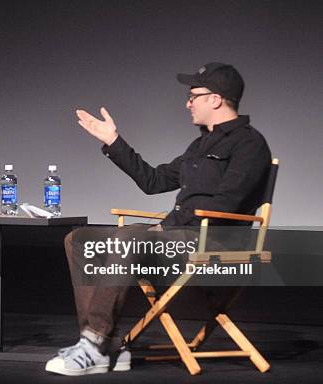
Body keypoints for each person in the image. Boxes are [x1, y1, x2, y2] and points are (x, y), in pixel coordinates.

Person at [45, 62, 271, 376]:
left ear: (216, 99)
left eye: (194, 96)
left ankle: (94, 342)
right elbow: (154, 181)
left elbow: (228, 203)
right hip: (176, 235)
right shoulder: (200, 145)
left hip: (212, 241)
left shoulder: (250, 144)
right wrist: (113, 141)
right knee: (79, 239)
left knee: (131, 235)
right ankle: (106, 345)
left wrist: (164, 230)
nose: (187, 103)